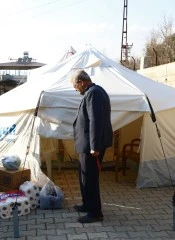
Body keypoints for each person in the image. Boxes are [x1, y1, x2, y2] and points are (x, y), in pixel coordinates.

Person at [70, 70, 113, 223]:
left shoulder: (94, 93)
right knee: (84, 176)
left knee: (90, 178)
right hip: (86, 144)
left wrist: (94, 146)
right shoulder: (93, 92)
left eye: (75, 85)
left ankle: (95, 213)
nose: (75, 89)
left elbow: (96, 120)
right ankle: (87, 205)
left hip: (91, 146)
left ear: (81, 82)